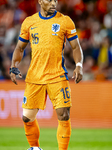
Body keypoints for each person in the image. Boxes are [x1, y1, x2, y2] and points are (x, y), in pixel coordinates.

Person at [10, 0, 83, 150]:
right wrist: (13, 66)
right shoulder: (29, 22)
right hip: (35, 77)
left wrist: (79, 66)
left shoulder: (65, 21)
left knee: (64, 114)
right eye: (49, 0)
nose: (53, 3)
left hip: (57, 75)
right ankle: (35, 148)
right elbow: (19, 48)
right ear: (40, 1)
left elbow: (76, 47)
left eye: (55, 0)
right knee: (27, 118)